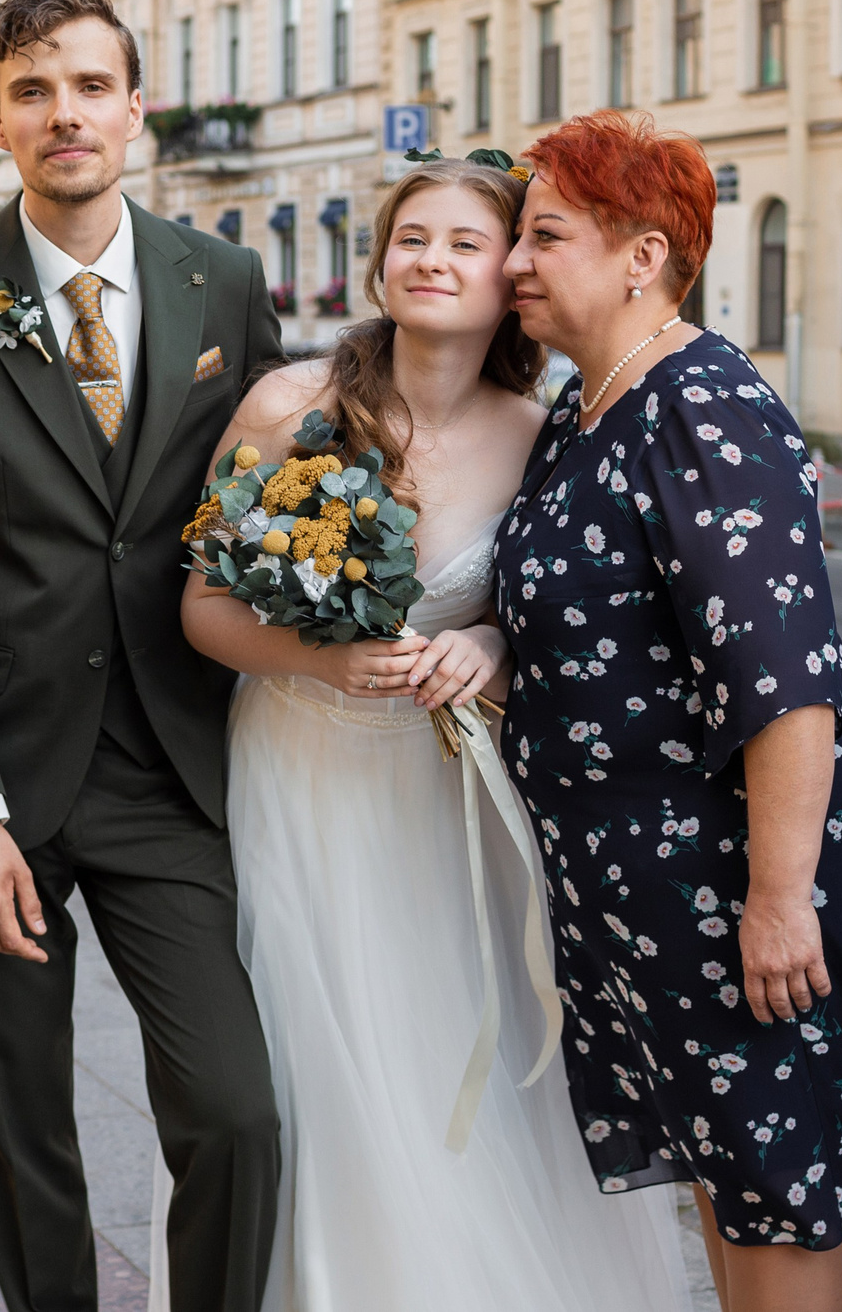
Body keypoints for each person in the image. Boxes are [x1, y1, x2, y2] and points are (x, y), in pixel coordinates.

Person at [178, 158, 692, 1312]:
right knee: (323, 1067)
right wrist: (322, 655)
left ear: (506, 269)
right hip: (300, 775)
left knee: (469, 1065)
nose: (433, 261)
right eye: (412, 238)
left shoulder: (545, 431)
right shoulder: (286, 407)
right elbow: (201, 608)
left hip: (456, 793)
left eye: (464, 243)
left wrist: (498, 651)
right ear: (380, 258)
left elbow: (570, 607)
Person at [497, 112, 842, 1312]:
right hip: (642, 894)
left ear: (641, 255)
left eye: (542, 233)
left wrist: (777, 900)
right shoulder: (586, 407)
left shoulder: (700, 404)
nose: (513, 260)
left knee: (773, 1186)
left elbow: (783, 680)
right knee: (729, 1173)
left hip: (729, 887)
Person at [0, 0, 288, 1312]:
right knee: (22, 1126)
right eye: (34, 90)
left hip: (175, 767)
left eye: (91, 85)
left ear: (135, 105)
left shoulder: (222, 282)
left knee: (234, 1111)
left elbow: (260, 495)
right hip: (3, 774)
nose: (66, 114)